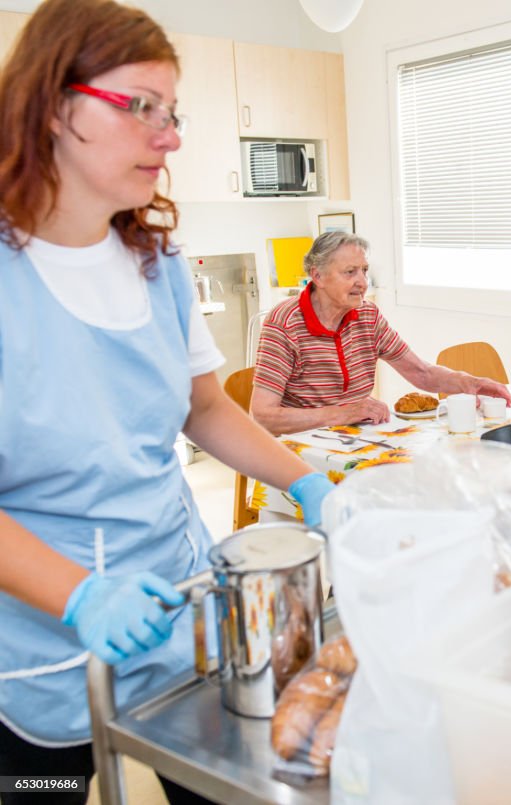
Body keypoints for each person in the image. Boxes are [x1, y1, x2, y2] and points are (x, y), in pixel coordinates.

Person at [0, 2, 336, 801]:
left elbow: (206, 407)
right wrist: (79, 595)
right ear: (53, 105)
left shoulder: (157, 261)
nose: (171, 135)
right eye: (139, 107)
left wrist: (310, 483)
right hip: (42, 652)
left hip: (180, 614)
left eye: (172, 111)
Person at [251, 230, 511, 435]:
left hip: (355, 438)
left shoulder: (367, 315)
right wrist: (346, 413)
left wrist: (472, 383)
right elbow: (264, 416)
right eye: (350, 272)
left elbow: (421, 373)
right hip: (300, 451)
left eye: (364, 271)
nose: (362, 283)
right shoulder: (284, 324)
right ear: (317, 276)